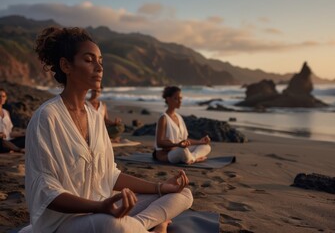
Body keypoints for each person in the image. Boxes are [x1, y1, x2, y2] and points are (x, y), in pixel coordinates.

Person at [25, 26, 193, 233]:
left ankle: (141, 225)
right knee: (112, 225)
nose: (99, 67)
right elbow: (45, 191)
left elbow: (110, 176)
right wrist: (98, 207)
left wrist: (160, 187)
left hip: (102, 209)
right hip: (65, 223)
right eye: (89, 60)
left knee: (183, 195)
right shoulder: (47, 117)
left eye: (100, 61)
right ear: (66, 66)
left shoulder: (95, 117)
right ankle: (155, 225)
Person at [154, 86, 211, 164]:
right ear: (168, 99)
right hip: (166, 154)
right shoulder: (163, 118)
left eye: (180, 98)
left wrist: (200, 142)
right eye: (176, 98)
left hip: (179, 149)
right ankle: (194, 158)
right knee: (182, 151)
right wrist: (177, 144)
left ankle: (192, 158)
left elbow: (185, 141)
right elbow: (159, 143)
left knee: (206, 147)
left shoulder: (179, 117)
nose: (179, 101)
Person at [0, 88, 26, 153]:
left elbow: (10, 133)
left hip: (9, 141)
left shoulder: (6, 112)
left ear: (6, 98)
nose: (1, 98)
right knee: (1, 141)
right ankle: (18, 150)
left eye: (3, 96)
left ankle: (12, 149)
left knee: (26, 137)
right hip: (1, 142)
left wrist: (22, 134)